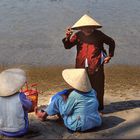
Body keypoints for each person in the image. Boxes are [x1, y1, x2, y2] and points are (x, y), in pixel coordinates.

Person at [62, 14, 115, 112]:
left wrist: (109, 56)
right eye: (85, 28)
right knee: (80, 85)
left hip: (96, 64)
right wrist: (67, 37)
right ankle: (82, 106)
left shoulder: (99, 35)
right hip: (81, 65)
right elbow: (67, 46)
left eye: (90, 27)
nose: (87, 29)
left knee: (98, 87)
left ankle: (98, 108)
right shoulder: (77, 35)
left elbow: (111, 42)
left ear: (93, 27)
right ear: (81, 28)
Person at [34, 68, 102, 132]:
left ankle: (44, 115)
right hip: (95, 122)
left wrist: (65, 100)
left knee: (59, 98)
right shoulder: (93, 91)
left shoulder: (74, 95)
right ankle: (46, 112)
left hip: (79, 125)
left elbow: (65, 112)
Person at [0, 68, 32, 137]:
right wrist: (28, 100)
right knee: (24, 110)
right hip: (20, 130)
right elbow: (29, 106)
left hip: (2, 130)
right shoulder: (20, 96)